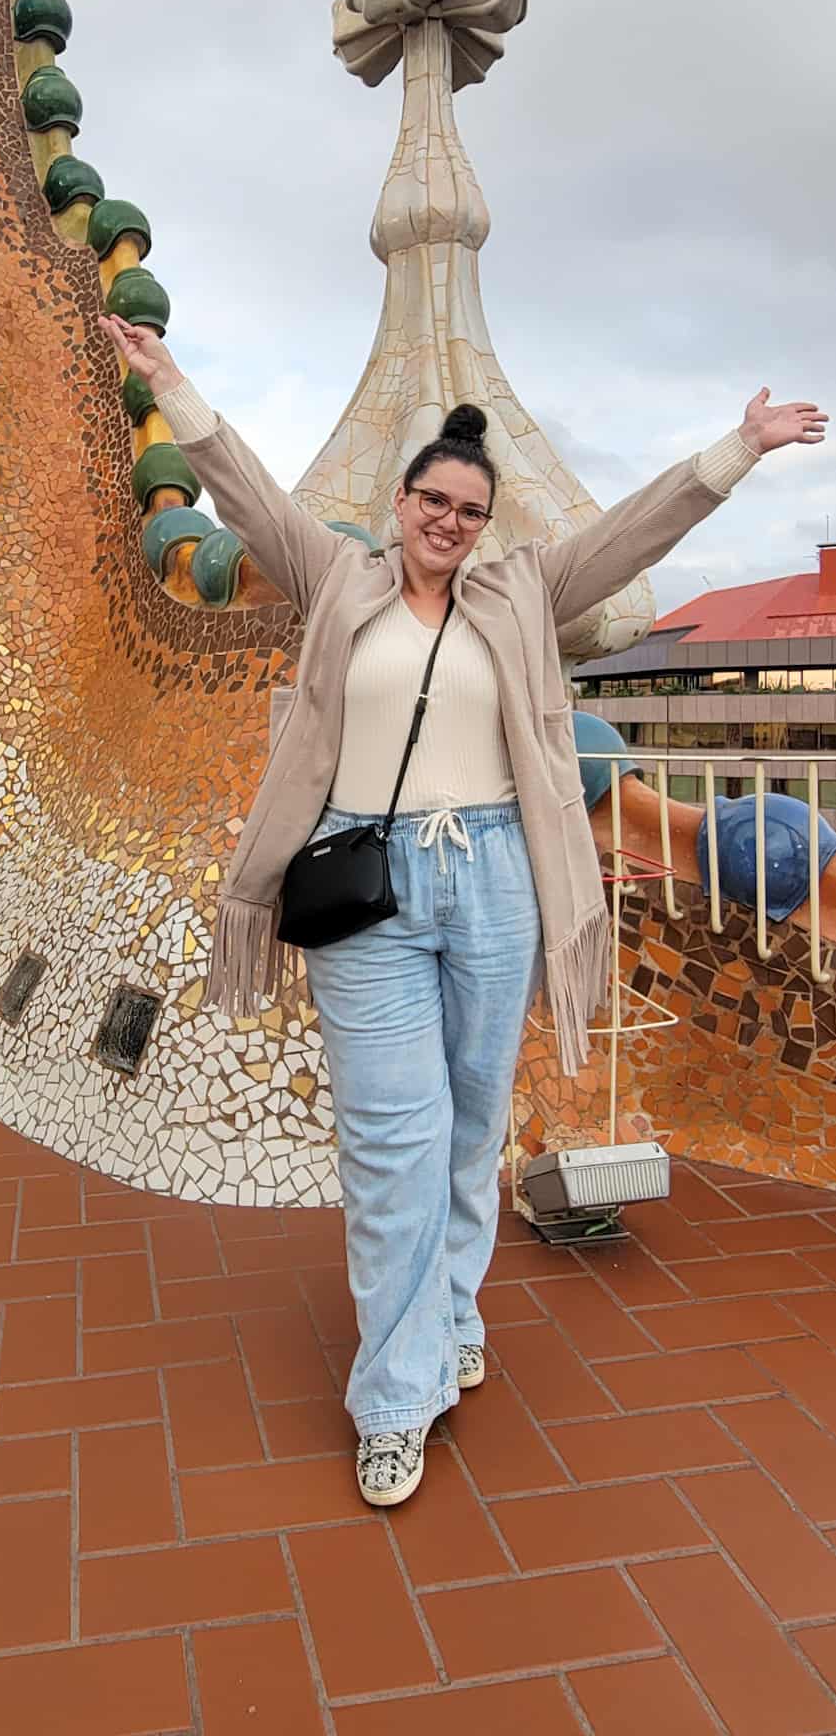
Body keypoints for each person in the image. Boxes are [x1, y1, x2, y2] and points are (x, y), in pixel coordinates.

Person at [99, 311, 827, 1507]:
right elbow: (240, 490)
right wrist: (171, 381)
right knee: (393, 1138)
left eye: (469, 509)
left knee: (473, 1126)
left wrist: (735, 447)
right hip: (366, 881)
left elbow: (635, 527)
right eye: (433, 501)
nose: (448, 520)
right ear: (401, 500)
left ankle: (443, 1312)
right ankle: (394, 1396)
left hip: (493, 880)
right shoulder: (336, 579)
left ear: (488, 523)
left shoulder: (522, 592)